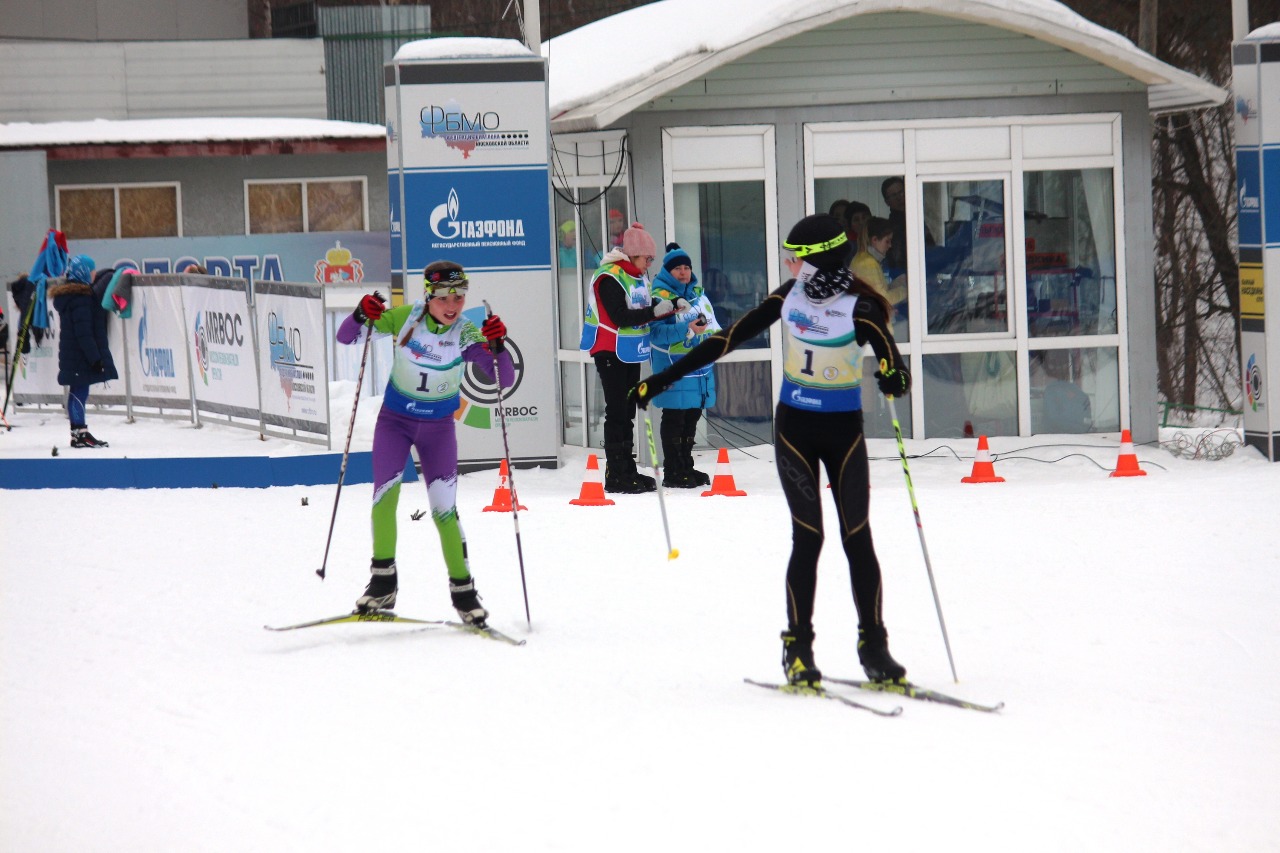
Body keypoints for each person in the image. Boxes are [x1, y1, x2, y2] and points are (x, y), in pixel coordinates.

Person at [630, 214, 912, 686]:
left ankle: (874, 647)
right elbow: (726, 339)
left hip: (843, 432)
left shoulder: (860, 306)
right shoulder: (790, 295)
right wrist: (662, 379)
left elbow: (893, 365)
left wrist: (894, 378)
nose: (788, 264)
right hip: (795, 430)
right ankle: (797, 649)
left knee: (857, 537)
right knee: (809, 537)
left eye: (794, 257)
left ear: (818, 259)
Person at [336, 261, 512, 624]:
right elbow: (345, 337)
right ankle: (383, 584)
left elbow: (502, 378)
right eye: (444, 297)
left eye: (459, 297)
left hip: (438, 431)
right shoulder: (406, 318)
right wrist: (359, 314)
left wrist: (499, 345)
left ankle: (464, 593)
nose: (452, 305)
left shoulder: (465, 332)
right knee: (384, 500)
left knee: (444, 511)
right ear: (429, 296)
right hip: (395, 424)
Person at [579, 222, 686, 493]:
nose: (649, 264)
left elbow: (645, 305)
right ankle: (616, 473)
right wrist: (654, 312)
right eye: (647, 258)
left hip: (629, 350)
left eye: (651, 260)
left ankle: (628, 468)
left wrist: (670, 306)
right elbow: (620, 316)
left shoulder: (637, 277)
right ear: (634, 254)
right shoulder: (610, 276)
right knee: (617, 410)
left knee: (627, 410)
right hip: (609, 350)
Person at [648, 242, 720, 488]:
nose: (683, 272)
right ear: (667, 272)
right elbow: (656, 333)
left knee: (692, 417)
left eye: (686, 268)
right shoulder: (660, 297)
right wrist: (687, 329)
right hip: (673, 368)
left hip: (699, 369)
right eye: (677, 268)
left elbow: (712, 324)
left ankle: (686, 465)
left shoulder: (698, 295)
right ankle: (673, 470)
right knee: (675, 418)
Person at [50, 254, 118, 448]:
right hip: (80, 355)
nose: (94, 274)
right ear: (84, 272)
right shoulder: (82, 299)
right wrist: (95, 358)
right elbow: (84, 333)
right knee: (80, 391)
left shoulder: (71, 297)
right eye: (92, 270)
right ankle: (80, 433)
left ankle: (77, 433)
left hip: (73, 354)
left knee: (77, 391)